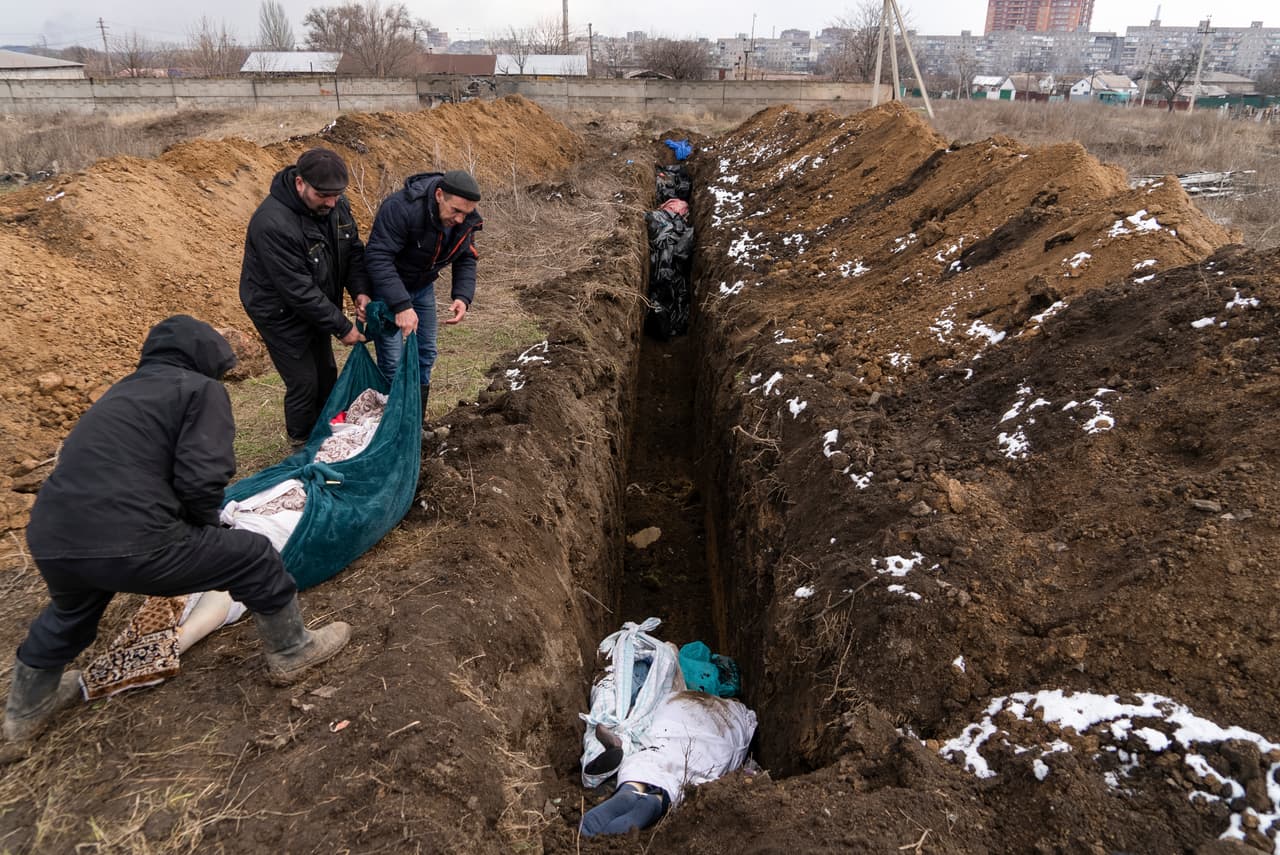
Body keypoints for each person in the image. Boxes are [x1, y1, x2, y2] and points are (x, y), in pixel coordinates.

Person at [3, 316, 351, 745]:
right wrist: (208, 529)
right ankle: (293, 651)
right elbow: (202, 477)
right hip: (133, 539)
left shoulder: (121, 392)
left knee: (71, 613)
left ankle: (23, 713)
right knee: (253, 556)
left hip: (53, 539)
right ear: (203, 356)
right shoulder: (199, 389)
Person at [240, 147, 371, 446]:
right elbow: (296, 288)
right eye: (323, 195)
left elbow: (351, 252)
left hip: (316, 301)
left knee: (326, 371)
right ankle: (300, 443)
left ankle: (325, 435)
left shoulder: (336, 205)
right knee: (304, 381)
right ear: (300, 183)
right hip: (278, 311)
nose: (332, 201)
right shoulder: (272, 223)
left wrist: (361, 291)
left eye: (337, 194)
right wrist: (342, 326)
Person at [364, 169, 483, 416]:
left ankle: (413, 424)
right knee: (394, 362)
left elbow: (466, 257)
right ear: (439, 195)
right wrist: (401, 305)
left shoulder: (465, 219)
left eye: (467, 213)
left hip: (422, 287)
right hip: (390, 290)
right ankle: (390, 427)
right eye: (456, 211)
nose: (461, 219)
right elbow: (378, 257)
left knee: (425, 353)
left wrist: (462, 296)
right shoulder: (401, 208)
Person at [579, 689, 757, 837]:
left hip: (669, 729)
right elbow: (742, 739)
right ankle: (652, 801)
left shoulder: (678, 695)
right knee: (682, 777)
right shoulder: (737, 711)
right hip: (707, 743)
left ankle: (631, 789)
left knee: (651, 763)